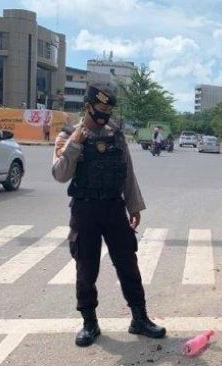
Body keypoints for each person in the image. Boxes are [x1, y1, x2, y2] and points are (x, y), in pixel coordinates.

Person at [51, 82, 166, 347]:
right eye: (100, 109)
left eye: (108, 109)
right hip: (85, 210)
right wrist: (75, 144)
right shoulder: (67, 134)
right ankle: (90, 323)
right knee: (86, 267)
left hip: (114, 208)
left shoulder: (116, 134)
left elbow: (128, 171)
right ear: (88, 106)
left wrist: (134, 205)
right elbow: (59, 174)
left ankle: (139, 317)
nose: (105, 114)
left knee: (128, 263)